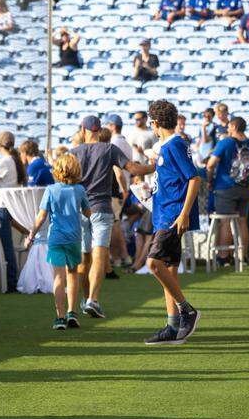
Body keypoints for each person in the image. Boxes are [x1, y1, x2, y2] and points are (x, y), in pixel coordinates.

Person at [69, 115, 153, 319]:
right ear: (99, 130)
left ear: (83, 130)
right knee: (99, 255)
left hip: (79, 209)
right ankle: (93, 300)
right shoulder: (109, 149)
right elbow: (134, 169)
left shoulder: (73, 153)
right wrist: (157, 166)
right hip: (102, 208)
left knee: (84, 258)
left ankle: (84, 299)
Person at [142, 100, 201, 345]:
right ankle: (172, 326)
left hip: (172, 216)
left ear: (155, 123)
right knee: (169, 269)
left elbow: (194, 178)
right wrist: (149, 190)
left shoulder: (174, 144)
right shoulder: (168, 145)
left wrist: (184, 213)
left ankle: (186, 310)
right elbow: (171, 180)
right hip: (164, 213)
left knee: (154, 264)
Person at [25, 153, 91, 330]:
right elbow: (87, 212)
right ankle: (71, 312)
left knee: (58, 278)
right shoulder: (80, 190)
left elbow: (41, 217)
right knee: (72, 275)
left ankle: (60, 317)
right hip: (74, 238)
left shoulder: (51, 190)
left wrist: (31, 235)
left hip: (56, 238)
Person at [206, 117, 249, 264]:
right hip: (245, 187)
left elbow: (211, 164)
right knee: (242, 221)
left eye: (229, 126)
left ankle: (223, 257)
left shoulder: (226, 142)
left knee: (225, 221)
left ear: (233, 126)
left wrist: (209, 180)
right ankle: (242, 257)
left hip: (225, 187)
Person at [0, 131, 24, 292]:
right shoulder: (15, 161)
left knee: (4, 246)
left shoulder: (4, 162)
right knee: (6, 245)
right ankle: (9, 280)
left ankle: (10, 282)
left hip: (0, 207)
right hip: (9, 206)